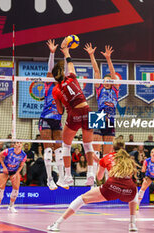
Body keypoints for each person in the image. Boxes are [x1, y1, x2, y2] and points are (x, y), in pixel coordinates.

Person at [47, 147, 138, 232]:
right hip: (129, 191)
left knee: (81, 199)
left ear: (113, 149)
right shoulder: (129, 160)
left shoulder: (106, 157)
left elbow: (99, 177)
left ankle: (57, 224)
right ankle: (132, 224)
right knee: (134, 194)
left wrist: (100, 163)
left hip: (112, 188)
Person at [52, 37, 96, 187]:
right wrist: (66, 51)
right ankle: (91, 175)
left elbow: (59, 111)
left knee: (66, 146)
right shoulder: (72, 77)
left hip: (74, 114)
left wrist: (60, 100)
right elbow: (70, 64)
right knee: (88, 145)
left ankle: (68, 177)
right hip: (88, 110)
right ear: (63, 74)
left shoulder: (55, 90)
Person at [84, 43, 119, 180]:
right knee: (95, 151)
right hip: (98, 117)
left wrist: (108, 58)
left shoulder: (115, 89)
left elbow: (112, 73)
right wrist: (92, 55)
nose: (107, 81)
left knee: (107, 155)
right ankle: (91, 174)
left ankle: (106, 179)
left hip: (111, 119)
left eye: (109, 80)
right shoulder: (99, 88)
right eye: (105, 80)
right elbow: (97, 72)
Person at [39, 39, 64, 190]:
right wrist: (52, 53)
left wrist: (67, 54)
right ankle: (49, 179)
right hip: (46, 119)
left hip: (58, 120)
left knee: (59, 150)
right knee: (48, 149)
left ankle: (61, 177)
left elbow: (67, 71)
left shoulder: (62, 85)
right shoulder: (49, 82)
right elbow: (50, 68)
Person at [0, 142, 27, 214]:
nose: (18, 144)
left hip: (14, 171)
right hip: (5, 169)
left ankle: (11, 206)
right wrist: (4, 167)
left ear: (22, 145)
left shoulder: (24, 155)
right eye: (17, 143)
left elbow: (21, 165)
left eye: (20, 143)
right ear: (14, 145)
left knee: (16, 189)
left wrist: (16, 174)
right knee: (1, 187)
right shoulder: (8, 151)